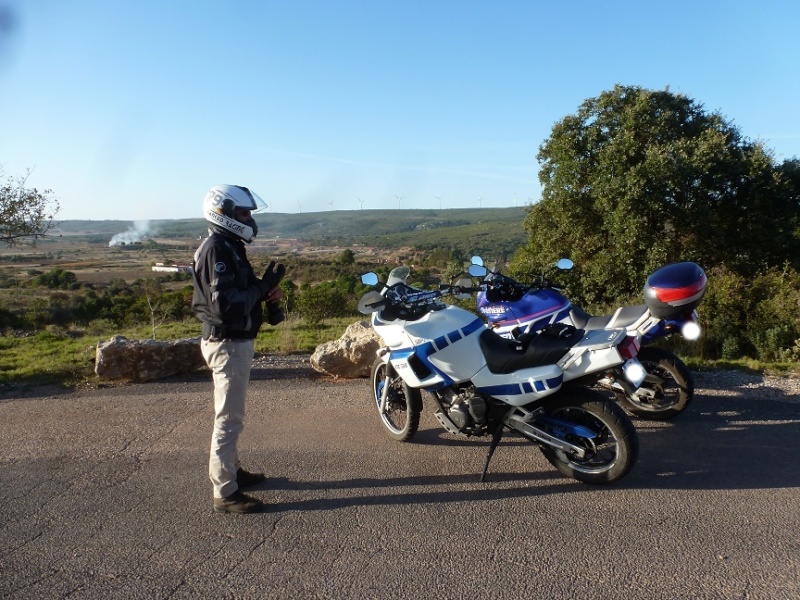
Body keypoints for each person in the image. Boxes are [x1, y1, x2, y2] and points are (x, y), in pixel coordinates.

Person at [192, 184, 285, 514]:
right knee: (228, 419)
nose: (248, 219)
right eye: (243, 213)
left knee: (233, 416)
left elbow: (237, 293)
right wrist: (260, 289)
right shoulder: (217, 249)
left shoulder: (229, 246)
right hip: (227, 342)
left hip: (233, 341)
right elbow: (225, 307)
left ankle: (233, 471)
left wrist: (263, 290)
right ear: (224, 214)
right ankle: (225, 491)